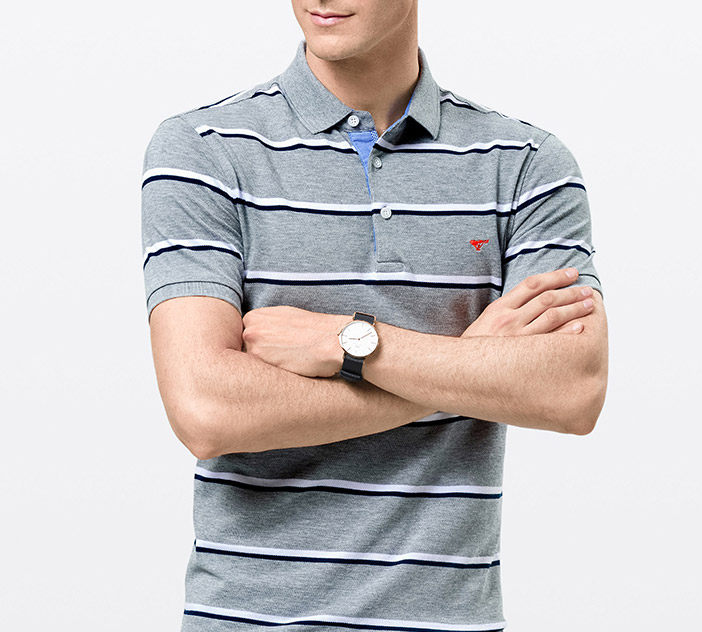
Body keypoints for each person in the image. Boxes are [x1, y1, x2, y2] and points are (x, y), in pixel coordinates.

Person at [140, 1, 608, 629]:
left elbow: (571, 391)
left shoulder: (525, 163)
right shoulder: (204, 150)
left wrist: (348, 343)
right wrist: (468, 365)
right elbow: (206, 410)